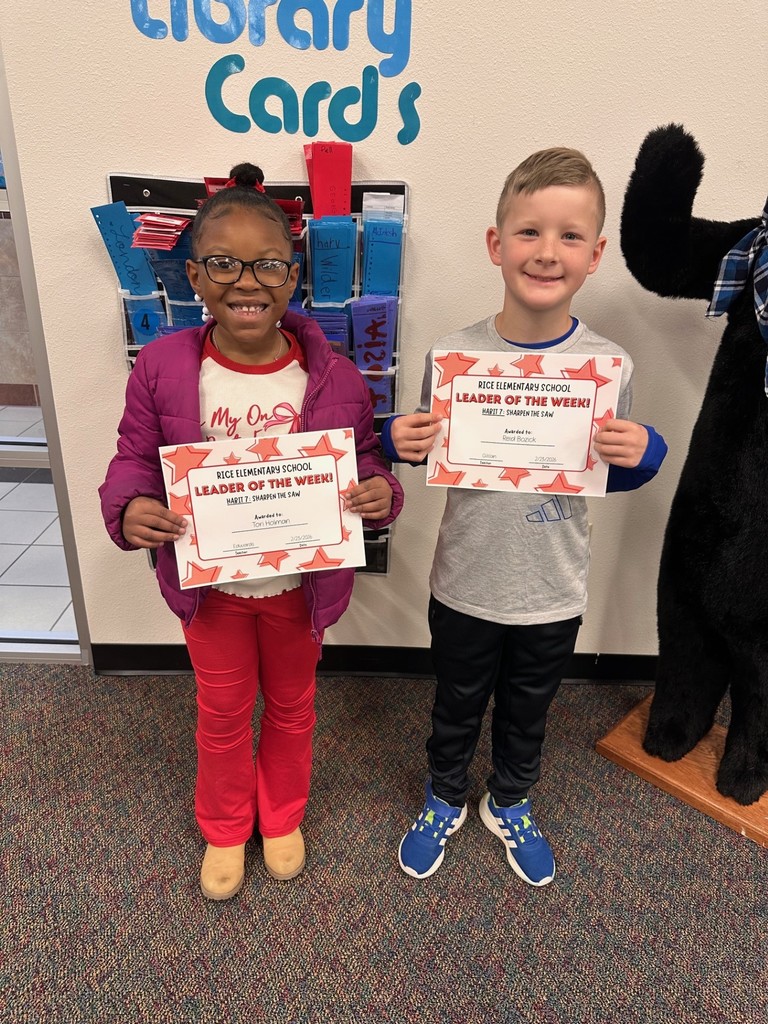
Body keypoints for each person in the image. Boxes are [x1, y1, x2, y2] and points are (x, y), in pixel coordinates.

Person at [100, 163, 403, 900]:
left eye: (267, 264)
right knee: (224, 710)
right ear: (195, 277)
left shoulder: (336, 377)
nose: (247, 281)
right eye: (224, 264)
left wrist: (379, 492)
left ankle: (283, 816)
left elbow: (367, 459)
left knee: (296, 707)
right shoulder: (166, 367)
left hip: (304, 588)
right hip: (213, 592)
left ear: (293, 276)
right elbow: (134, 457)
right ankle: (227, 824)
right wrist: (129, 507)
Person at [380, 148, 667, 886]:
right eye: (530, 232)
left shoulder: (609, 368)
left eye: (570, 236)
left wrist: (647, 452)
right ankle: (445, 794)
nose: (547, 252)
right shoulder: (453, 357)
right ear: (495, 243)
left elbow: (613, 471)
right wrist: (398, 440)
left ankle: (509, 800)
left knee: (528, 711)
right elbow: (425, 449)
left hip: (554, 589)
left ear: (597, 254)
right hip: (465, 581)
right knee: (456, 702)